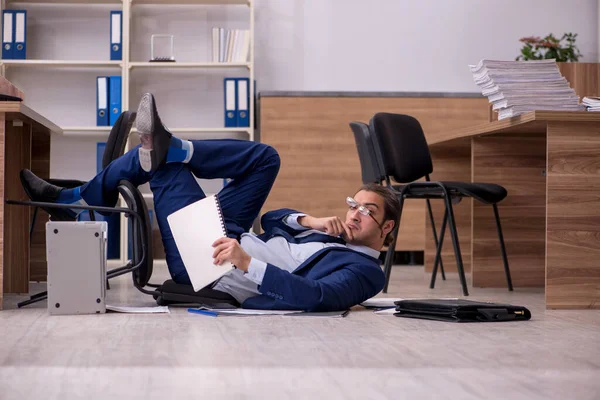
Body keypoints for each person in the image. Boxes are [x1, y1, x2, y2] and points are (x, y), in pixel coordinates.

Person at [20, 93, 400, 311]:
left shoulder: (367, 272)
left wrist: (247, 262)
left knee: (162, 167)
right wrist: (310, 221)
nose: (355, 214)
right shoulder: (333, 235)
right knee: (266, 158)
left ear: (387, 228)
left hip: (217, 264)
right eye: (355, 204)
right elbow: (272, 220)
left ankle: (84, 198)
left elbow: (319, 298)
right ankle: (171, 151)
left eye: (368, 212)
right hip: (234, 236)